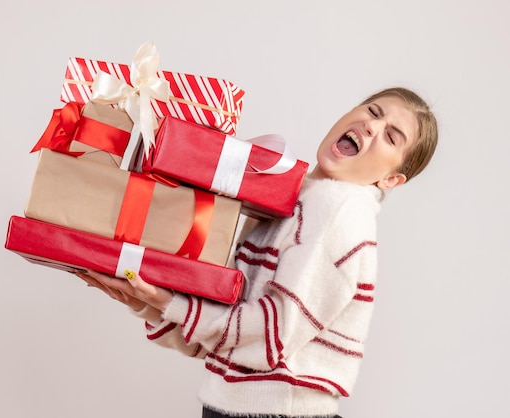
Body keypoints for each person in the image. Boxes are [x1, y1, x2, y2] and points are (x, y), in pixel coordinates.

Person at [76, 86, 438, 418]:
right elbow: (223, 341)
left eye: (392, 137)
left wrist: (169, 303)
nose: (374, 126)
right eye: (373, 112)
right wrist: (147, 299)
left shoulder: (340, 207)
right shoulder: (291, 203)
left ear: (391, 179)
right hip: (232, 407)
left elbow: (269, 337)